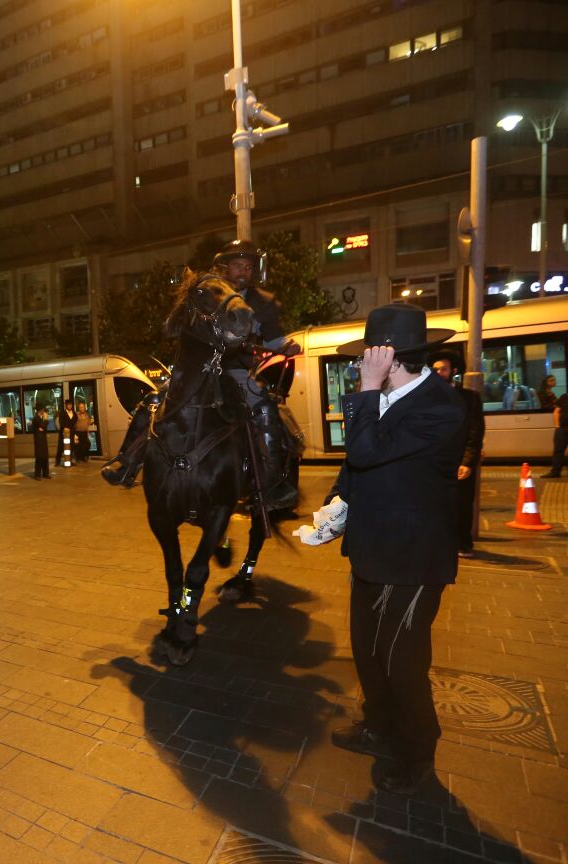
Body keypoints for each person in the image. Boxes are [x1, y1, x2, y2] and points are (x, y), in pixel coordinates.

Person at [328, 302, 466, 796]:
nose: (361, 368)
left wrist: (366, 390)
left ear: (389, 358)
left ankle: (416, 754)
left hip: (412, 558)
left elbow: (367, 450)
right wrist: (335, 506)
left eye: (368, 360)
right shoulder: (382, 397)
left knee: (401, 662)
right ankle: (378, 727)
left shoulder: (441, 407)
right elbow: (357, 467)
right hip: (371, 549)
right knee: (368, 653)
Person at [102, 240, 301, 508]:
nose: (243, 271)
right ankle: (126, 462)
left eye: (248, 267)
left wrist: (286, 345)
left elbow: (275, 339)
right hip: (201, 370)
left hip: (237, 373)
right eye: (237, 266)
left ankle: (271, 481)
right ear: (225, 268)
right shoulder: (211, 292)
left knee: (265, 407)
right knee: (152, 400)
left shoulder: (262, 302)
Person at [431, 354, 485, 558]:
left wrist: (468, 461)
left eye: (443, 369)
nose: (438, 373)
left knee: (462, 503)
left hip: (459, 461)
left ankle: (463, 542)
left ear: (453, 371)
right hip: (434, 461)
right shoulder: (426, 398)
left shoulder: (470, 398)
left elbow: (475, 431)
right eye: (435, 369)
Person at [54, 399, 75, 467]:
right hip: (63, 433)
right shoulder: (62, 413)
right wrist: (65, 428)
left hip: (71, 433)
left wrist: (71, 427)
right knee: (60, 447)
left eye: (71, 405)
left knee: (71, 447)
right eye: (68, 405)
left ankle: (70, 460)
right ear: (66, 405)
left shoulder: (74, 413)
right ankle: (57, 461)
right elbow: (61, 422)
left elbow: (75, 421)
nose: (70, 406)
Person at [31, 407, 51, 479]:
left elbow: (43, 428)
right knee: (39, 458)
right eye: (43, 410)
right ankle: (37, 474)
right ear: (40, 410)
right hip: (39, 441)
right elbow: (42, 426)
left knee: (45, 457)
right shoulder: (36, 418)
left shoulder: (40, 418)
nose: (44, 412)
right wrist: (45, 420)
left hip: (43, 440)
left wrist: (42, 427)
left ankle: (46, 473)